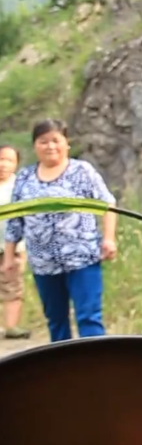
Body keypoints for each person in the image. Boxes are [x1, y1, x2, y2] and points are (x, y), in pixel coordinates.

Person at [2, 120, 118, 342]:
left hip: (82, 257)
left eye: (56, 140)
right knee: (56, 320)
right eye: (43, 141)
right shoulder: (25, 178)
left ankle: (97, 367)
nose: (50, 146)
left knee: (89, 317)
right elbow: (15, 221)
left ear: (67, 144)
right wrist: (9, 257)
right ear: (35, 146)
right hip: (43, 262)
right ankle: (63, 371)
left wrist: (109, 239)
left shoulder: (81, 171)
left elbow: (107, 204)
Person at [0, 144, 30, 339]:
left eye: (9, 160)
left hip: (13, 246)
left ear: (16, 164)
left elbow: (27, 219)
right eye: (1, 159)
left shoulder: (20, 187)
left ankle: (11, 326)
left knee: (12, 286)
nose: (3, 164)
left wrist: (25, 250)